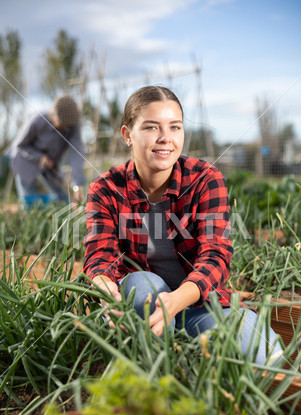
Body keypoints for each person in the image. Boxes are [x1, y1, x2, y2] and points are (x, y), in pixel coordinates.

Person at [83, 85, 283, 365]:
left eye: (175, 127)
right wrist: (104, 287)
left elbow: (216, 256)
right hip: (145, 298)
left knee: (267, 357)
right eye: (152, 128)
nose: (166, 138)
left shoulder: (204, 179)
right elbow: (99, 256)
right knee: (142, 287)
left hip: (200, 301)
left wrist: (176, 301)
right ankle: (161, 364)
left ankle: (187, 347)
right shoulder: (105, 188)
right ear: (128, 135)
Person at [8, 95, 85, 208]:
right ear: (53, 116)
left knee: (63, 200)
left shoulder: (72, 125)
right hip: (25, 162)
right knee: (30, 202)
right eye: (62, 125)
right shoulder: (38, 120)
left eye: (68, 127)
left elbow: (76, 153)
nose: (66, 129)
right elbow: (20, 146)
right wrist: (40, 157)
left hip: (49, 165)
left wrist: (77, 186)